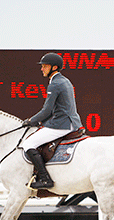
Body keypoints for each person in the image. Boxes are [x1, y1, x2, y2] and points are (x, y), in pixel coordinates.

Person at [21, 53, 83, 189]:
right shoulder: (65, 80)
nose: (42, 69)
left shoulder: (55, 84)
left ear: (54, 67)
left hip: (62, 125)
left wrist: (31, 121)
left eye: (45, 66)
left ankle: (44, 179)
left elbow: (46, 111)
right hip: (72, 122)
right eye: (42, 66)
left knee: (28, 144)